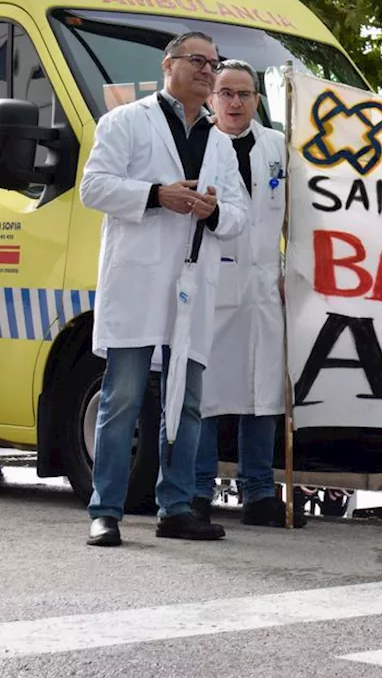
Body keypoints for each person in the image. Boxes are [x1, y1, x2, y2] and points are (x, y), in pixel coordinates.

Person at [79, 32, 247, 547]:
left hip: (193, 281)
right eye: (198, 60)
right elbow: (94, 187)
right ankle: (105, 509)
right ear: (168, 65)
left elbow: (239, 213)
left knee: (188, 400)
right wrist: (157, 195)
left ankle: (175, 506)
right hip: (139, 277)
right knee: (123, 396)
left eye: (212, 63)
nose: (207, 70)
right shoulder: (125, 122)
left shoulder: (220, 141)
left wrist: (213, 209)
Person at [191, 61, 296, 528]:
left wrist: (291, 269)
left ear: (257, 99)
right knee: (207, 393)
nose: (235, 102)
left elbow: (295, 215)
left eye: (245, 94)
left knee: (265, 393)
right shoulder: (200, 147)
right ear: (212, 98)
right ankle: (195, 490)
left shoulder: (277, 147)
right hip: (213, 282)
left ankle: (259, 494)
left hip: (264, 284)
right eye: (226, 93)